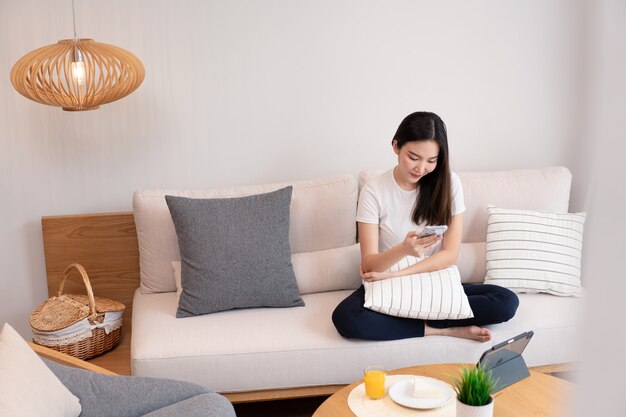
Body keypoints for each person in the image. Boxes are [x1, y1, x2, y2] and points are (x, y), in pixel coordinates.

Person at [332, 111, 519, 342]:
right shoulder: (374, 191)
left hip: (431, 282)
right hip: (388, 286)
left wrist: (400, 272)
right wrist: (403, 250)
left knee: (506, 301)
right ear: (395, 146)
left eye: (431, 161)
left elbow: (450, 255)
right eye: (414, 157)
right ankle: (442, 329)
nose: (421, 168)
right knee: (346, 317)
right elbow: (369, 264)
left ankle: (413, 320)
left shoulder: (449, 184)